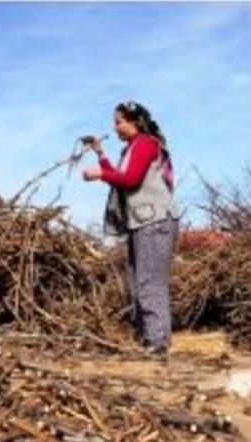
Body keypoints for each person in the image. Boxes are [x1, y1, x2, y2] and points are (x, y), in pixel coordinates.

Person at [82, 101, 181, 354]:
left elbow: (130, 179)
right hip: (144, 221)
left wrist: (98, 174)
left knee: (150, 281)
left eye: (119, 122)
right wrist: (101, 154)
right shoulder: (132, 149)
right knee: (141, 281)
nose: (115, 127)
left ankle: (157, 343)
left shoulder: (145, 144)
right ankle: (152, 338)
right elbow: (121, 177)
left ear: (134, 121)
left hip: (155, 221)